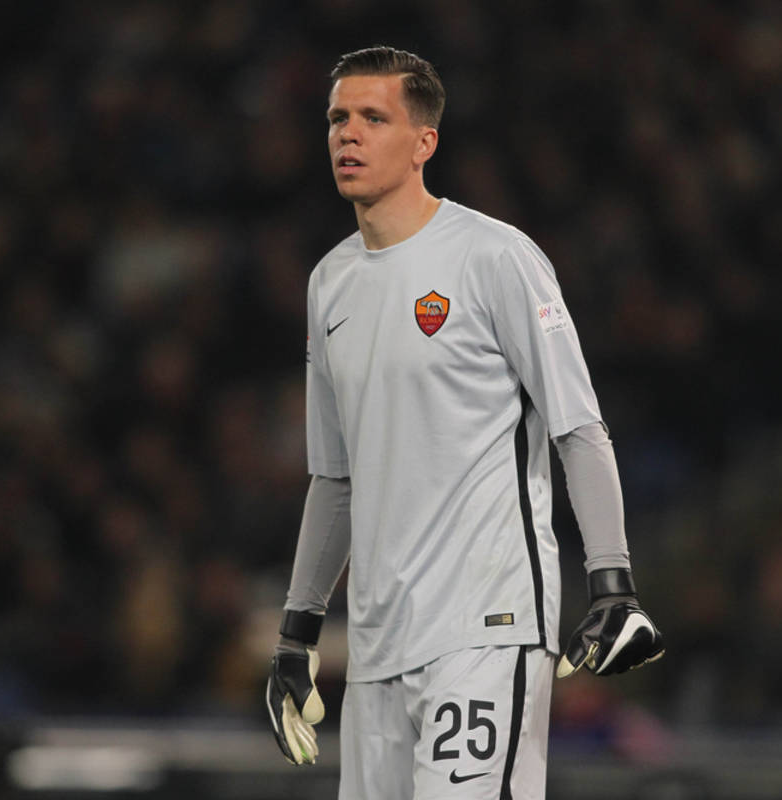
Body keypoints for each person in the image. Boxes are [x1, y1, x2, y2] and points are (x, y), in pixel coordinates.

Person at [265, 45, 664, 800]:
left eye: (373, 117)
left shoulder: (494, 257)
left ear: (425, 141)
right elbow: (335, 478)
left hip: (485, 623)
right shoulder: (330, 283)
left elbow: (578, 427)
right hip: (377, 643)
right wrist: (297, 632)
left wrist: (613, 585)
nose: (348, 133)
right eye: (338, 117)